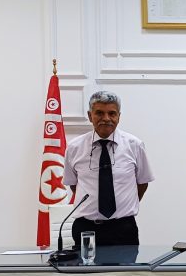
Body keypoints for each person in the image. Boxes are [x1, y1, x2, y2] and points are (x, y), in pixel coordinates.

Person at [63, 91, 154, 246]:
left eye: (112, 113)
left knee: (126, 264)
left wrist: (122, 205)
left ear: (119, 116)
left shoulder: (134, 145)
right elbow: (74, 185)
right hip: (86, 228)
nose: (106, 118)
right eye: (99, 113)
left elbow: (142, 183)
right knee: (86, 263)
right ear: (90, 115)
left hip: (123, 228)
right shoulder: (74, 147)